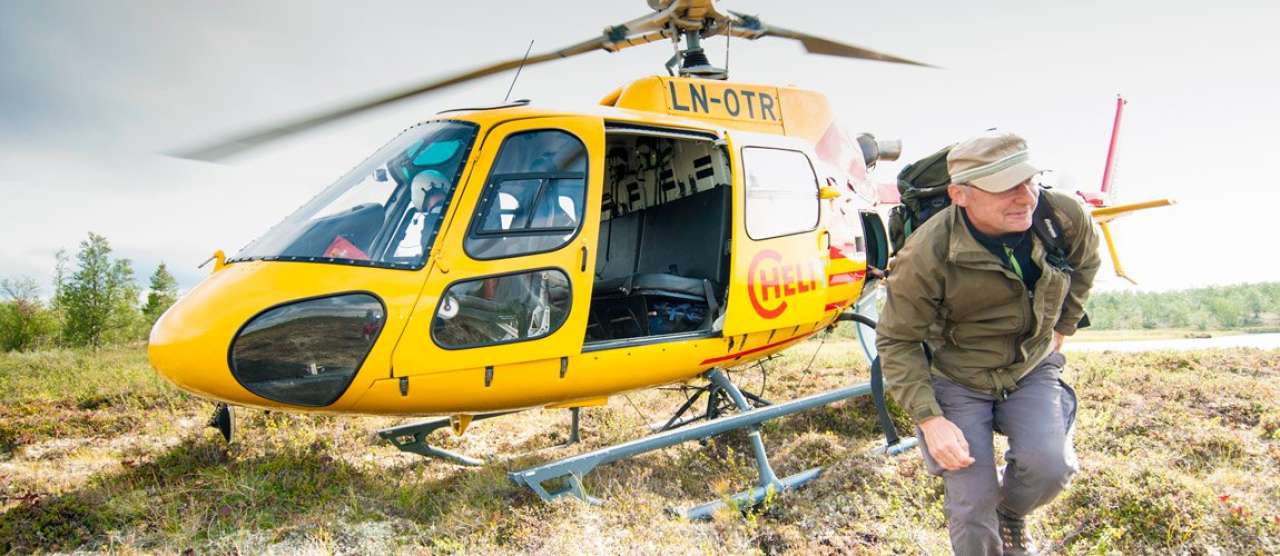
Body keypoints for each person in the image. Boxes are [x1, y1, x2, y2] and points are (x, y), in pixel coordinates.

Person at [876, 132, 1101, 555]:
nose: (1024, 198)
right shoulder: (925, 254)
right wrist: (930, 420)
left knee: (1050, 468)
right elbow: (897, 340)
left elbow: (1086, 265)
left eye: (1029, 181)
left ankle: (1011, 512)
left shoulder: (1063, 217)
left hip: (1031, 366)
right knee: (972, 506)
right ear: (960, 194)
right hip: (958, 377)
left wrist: (1061, 331)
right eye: (1004, 188)